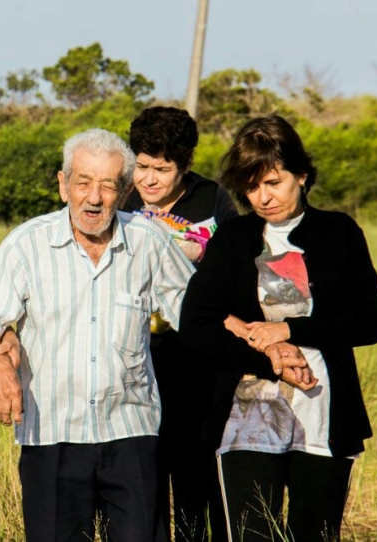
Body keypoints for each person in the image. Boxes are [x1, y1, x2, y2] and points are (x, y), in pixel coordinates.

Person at [0, 128, 196, 542]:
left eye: (107, 185)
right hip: (51, 433)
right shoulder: (27, 244)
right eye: (83, 182)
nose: (94, 197)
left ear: (124, 192)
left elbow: (197, 315)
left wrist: (263, 336)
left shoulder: (149, 241)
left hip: (131, 428)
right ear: (63, 184)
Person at [177, 115, 377, 542]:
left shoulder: (339, 232)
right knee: (252, 534)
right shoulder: (234, 238)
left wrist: (288, 330)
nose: (263, 197)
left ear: (302, 175)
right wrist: (267, 359)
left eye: (274, 182)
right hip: (245, 418)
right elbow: (196, 322)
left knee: (316, 534)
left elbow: (369, 321)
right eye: (252, 187)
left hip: (323, 415)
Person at [122, 106, 238, 541]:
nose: (149, 179)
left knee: (198, 473)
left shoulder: (213, 199)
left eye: (162, 169)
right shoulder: (121, 200)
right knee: (144, 478)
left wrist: (198, 252)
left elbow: (238, 264)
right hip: (136, 361)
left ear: (186, 165)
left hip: (199, 361)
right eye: (142, 166)